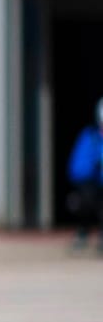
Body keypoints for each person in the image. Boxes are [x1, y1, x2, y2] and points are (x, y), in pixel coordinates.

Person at [67, 98, 103, 252]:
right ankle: (83, 232)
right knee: (85, 198)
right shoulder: (90, 137)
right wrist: (96, 165)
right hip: (94, 186)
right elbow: (77, 168)